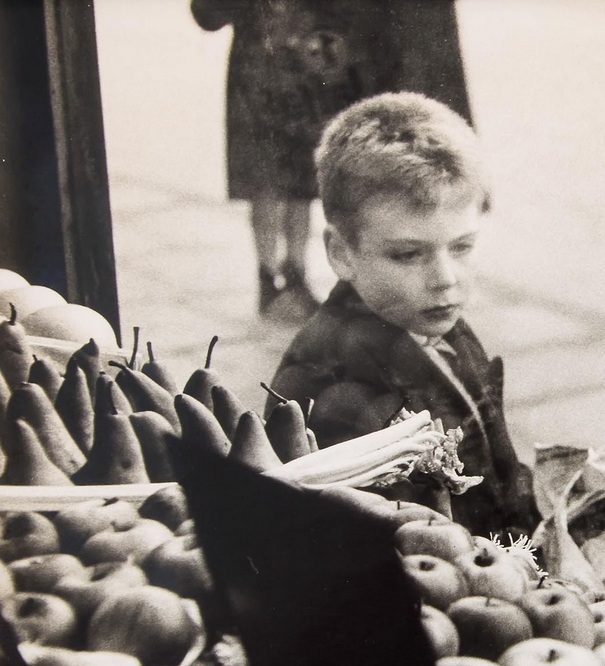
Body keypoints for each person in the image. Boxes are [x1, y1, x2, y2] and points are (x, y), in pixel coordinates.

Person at [268, 91, 537, 540]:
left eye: (462, 246)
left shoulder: (434, 320)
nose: (445, 278)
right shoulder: (329, 383)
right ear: (341, 253)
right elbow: (405, 546)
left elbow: (494, 466)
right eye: (409, 254)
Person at [190, 0, 472, 321]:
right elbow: (207, 13)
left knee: (300, 182)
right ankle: (268, 278)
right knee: (264, 184)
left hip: (305, 77)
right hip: (256, 77)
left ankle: (295, 274)